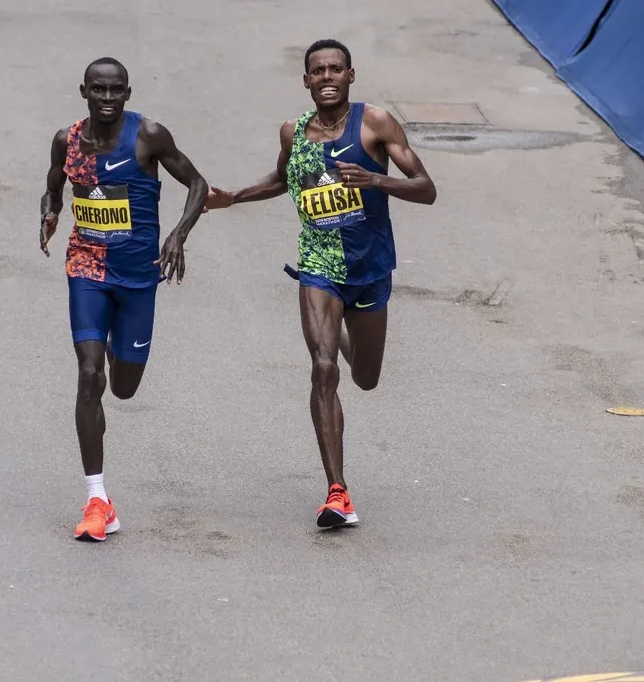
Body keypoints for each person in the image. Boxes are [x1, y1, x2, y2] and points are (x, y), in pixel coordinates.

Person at [204, 39, 437, 528]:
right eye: (318, 71)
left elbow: (426, 188)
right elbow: (284, 178)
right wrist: (236, 197)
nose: (327, 76)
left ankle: (348, 334)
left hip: (370, 268)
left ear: (351, 75)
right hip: (319, 265)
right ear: (306, 81)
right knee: (323, 366)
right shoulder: (295, 132)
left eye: (336, 68)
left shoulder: (375, 123)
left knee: (365, 377)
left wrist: (375, 181)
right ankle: (338, 492)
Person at [39, 57, 209, 541]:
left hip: (138, 278)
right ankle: (97, 498)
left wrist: (177, 234)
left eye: (116, 91)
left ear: (128, 94)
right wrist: (50, 213)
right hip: (87, 269)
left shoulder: (148, 136)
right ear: (84, 92)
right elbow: (52, 188)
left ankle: (120, 350)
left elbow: (197, 183)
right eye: (99, 90)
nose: (107, 99)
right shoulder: (66, 141)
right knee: (89, 373)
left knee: (123, 387)